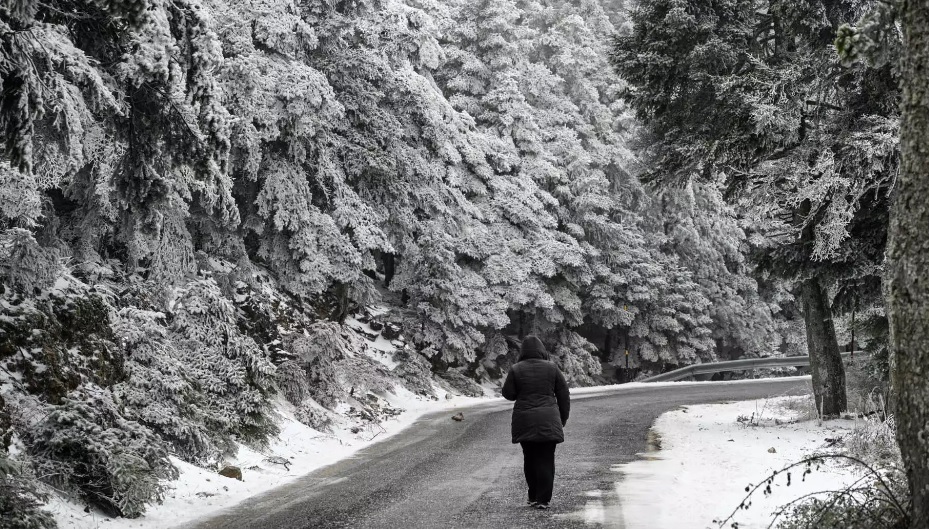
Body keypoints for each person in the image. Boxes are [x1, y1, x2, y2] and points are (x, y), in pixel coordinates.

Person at [501, 335, 570, 510]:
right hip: (549, 418)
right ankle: (543, 499)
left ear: (523, 352)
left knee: (530, 458)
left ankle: (533, 496)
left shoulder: (516, 369)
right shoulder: (552, 368)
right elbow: (563, 395)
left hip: (525, 420)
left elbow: (508, 394)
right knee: (546, 459)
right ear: (542, 351)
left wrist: (521, 391)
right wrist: (562, 418)